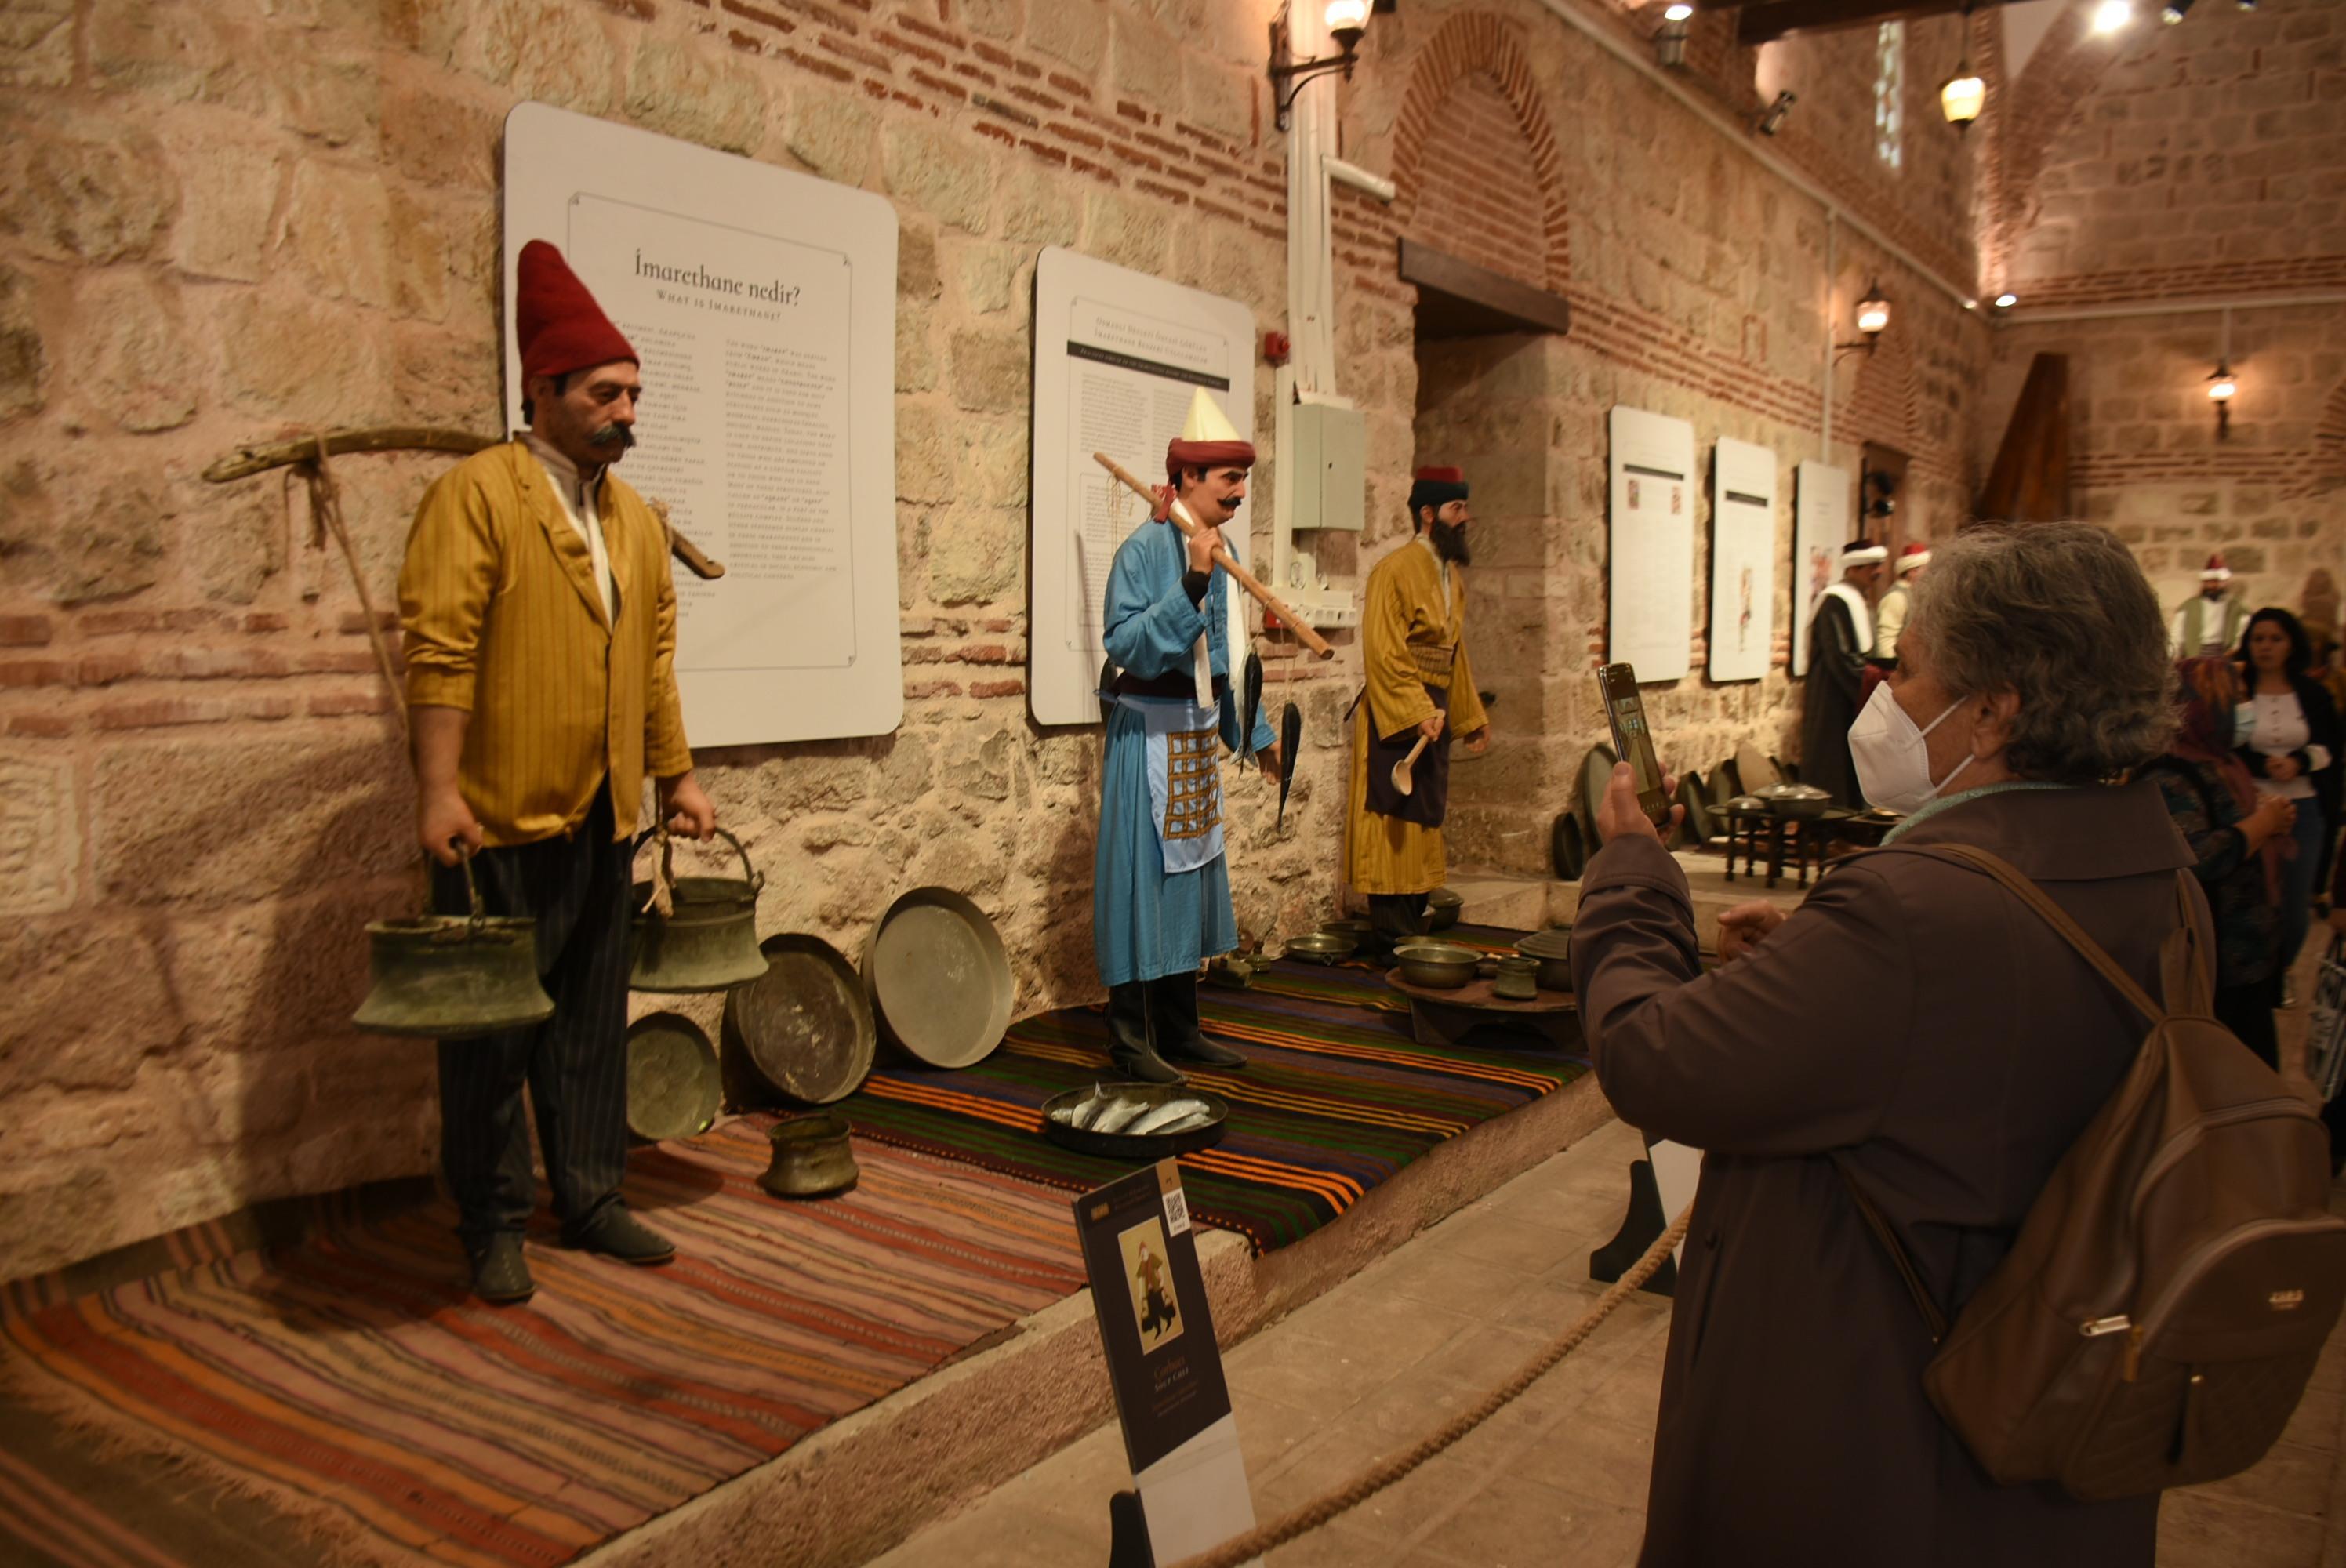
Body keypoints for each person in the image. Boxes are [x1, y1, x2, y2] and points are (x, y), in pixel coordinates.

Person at [1571, 521, 2195, 1566]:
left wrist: (1635, 876)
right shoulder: (2158, 862)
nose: (1884, 699)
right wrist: (1816, 967)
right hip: (2065, 1405)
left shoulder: (1917, 910)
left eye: (1906, 672)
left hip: (1886, 1419)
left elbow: (1653, 1057)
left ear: (1994, 709)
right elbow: (1983, 1040)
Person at [399, 240, 717, 1305]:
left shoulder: (632, 518)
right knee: (489, 1035)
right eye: (605, 392)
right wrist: (438, 790)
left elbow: (651, 662)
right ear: (542, 389)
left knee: (588, 1020)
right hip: (495, 821)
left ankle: (588, 1196)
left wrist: (674, 777)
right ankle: (491, 1220)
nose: (628, 410)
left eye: (634, 392)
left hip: (600, 816)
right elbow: (439, 650)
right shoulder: (477, 497)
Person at [1092, 388, 1280, 1084]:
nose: (1238, 491)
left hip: (1196, 734)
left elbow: (1225, 662)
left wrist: (1255, 735)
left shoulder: (1222, 551)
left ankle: (1179, 1025)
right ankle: (1128, 1034)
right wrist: (1192, 582)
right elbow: (1129, 647)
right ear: (1189, 480)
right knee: (1143, 883)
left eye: (1242, 479)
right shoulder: (1143, 552)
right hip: (1147, 734)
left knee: (1190, 881)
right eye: (1228, 478)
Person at [1343, 465, 1491, 946]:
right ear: (1428, 514)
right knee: (1392, 820)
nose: (1466, 517)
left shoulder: (1451, 575)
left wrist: (1469, 718)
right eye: (1456, 508)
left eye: (1465, 507)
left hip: (1435, 711)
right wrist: (1415, 710)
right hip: (1398, 714)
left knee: (1421, 819)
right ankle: (1391, 938)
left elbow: (1455, 652)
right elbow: (1383, 650)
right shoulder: (1393, 570)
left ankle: (1410, 930)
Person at [2141, 657, 2290, 1069]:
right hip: (2214, 958)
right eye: (2234, 699)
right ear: (2203, 706)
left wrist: (2273, 822)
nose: (2244, 709)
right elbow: (2194, 856)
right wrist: (2261, 825)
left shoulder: (2222, 762)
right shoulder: (2167, 773)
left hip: (2247, 952)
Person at [2234, 605, 2340, 988]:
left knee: (2295, 907)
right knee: (2256, 898)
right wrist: (2263, 767)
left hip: (2304, 805)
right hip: (2252, 805)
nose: (2266, 647)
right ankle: (2254, 981)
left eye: (2275, 639)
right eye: (2259, 639)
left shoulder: (2312, 694)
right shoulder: (2237, 691)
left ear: (2290, 644)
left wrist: (2298, 761)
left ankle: (2281, 976)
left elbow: (2330, 747)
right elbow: (2228, 745)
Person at [1798, 538, 1886, 807]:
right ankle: (1834, 823)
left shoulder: (1858, 599)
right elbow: (1841, 656)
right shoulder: (1835, 601)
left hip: (1848, 693)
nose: (1878, 571)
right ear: (1855, 568)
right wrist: (1874, 679)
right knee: (1832, 758)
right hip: (1832, 695)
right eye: (1872, 565)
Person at [2170, 552, 2247, 657]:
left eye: (2216, 582)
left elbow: (2241, 637)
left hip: (2225, 655)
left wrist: (2229, 655)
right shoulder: (2188, 607)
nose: (2212, 586)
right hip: (2196, 655)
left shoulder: (2237, 607)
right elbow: (2176, 638)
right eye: (2209, 582)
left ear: (2224, 582)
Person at [1869, 540, 1927, 671]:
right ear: (1913, 571)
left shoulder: (1916, 594)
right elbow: (1886, 640)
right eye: (1925, 568)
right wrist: (1890, 672)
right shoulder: (1896, 597)